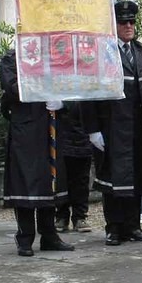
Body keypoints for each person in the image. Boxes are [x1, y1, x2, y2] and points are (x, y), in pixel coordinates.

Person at [84, 0, 142, 245]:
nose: (129, 26)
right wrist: (93, 130)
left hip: (139, 129)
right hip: (113, 127)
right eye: (123, 22)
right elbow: (90, 94)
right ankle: (114, 228)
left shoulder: (140, 51)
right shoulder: (104, 53)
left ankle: (132, 226)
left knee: (137, 179)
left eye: (132, 22)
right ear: (114, 24)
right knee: (114, 180)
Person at [0, 50, 74, 256]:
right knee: (25, 183)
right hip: (26, 130)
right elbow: (13, 87)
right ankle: (25, 237)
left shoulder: (52, 56)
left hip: (50, 128)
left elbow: (70, 85)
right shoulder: (11, 58)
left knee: (48, 183)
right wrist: (43, 89)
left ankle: (49, 235)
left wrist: (62, 102)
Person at [56, 97, 95, 234]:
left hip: (82, 132)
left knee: (81, 179)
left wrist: (65, 104)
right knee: (61, 178)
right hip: (60, 132)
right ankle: (61, 215)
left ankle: (80, 216)